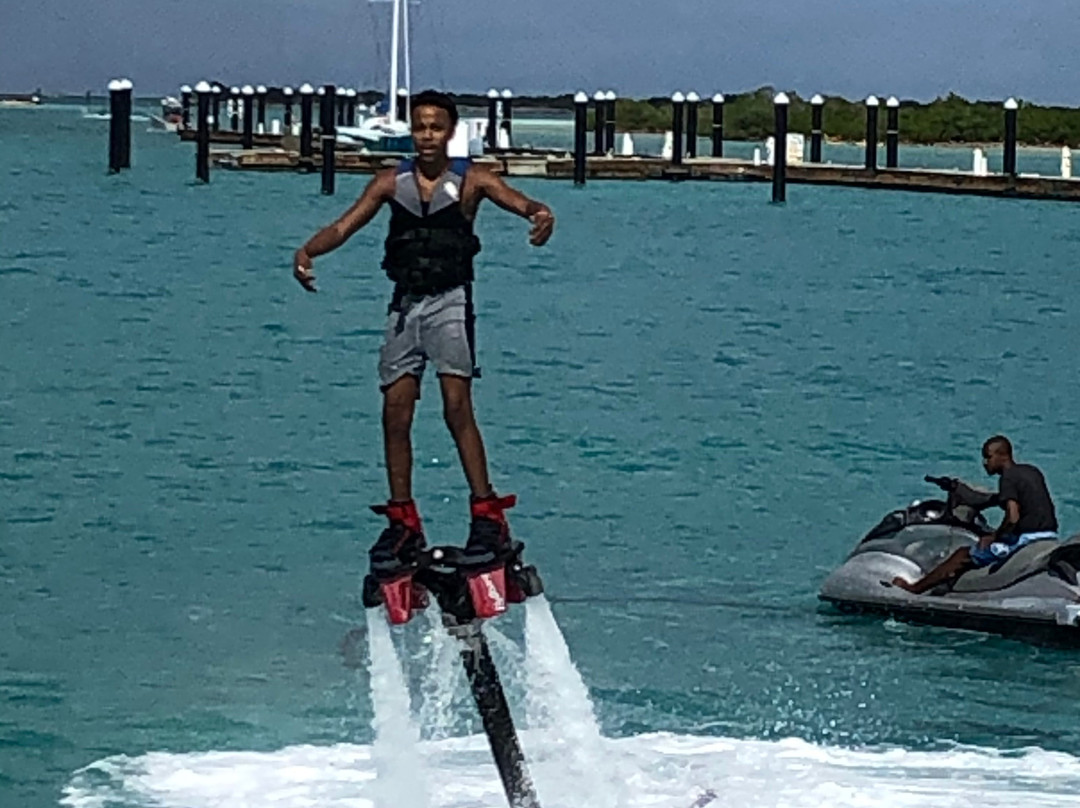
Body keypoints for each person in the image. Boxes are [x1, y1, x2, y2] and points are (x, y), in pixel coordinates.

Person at [292, 90, 555, 580]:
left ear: (451, 131)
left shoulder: (472, 179)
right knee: (395, 409)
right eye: (419, 128)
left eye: (436, 127)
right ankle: (403, 519)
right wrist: (307, 252)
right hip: (404, 306)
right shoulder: (390, 182)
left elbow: (520, 201)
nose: (427, 135)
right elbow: (345, 226)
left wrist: (540, 214)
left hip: (450, 302)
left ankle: (487, 515)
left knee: (456, 404)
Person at [892, 435, 1058, 594]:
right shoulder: (1031, 471)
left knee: (962, 555)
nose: (985, 463)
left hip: (1026, 539)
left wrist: (994, 537)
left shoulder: (1008, 477)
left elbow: (1012, 517)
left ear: (1002, 455)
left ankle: (914, 588)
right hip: (1048, 535)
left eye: (988, 457)